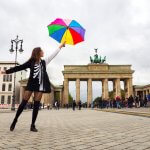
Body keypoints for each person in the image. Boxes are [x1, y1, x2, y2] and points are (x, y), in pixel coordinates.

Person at [0, 42, 65, 132]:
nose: (43, 52)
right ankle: (15, 120)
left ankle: (32, 125)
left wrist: (60, 47)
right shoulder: (31, 62)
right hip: (31, 84)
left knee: (36, 105)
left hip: (40, 85)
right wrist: (6, 72)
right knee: (23, 103)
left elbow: (53, 55)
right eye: (42, 51)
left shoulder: (44, 62)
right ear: (38, 53)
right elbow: (20, 67)